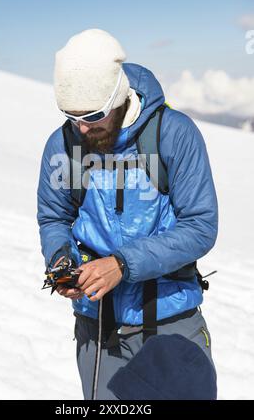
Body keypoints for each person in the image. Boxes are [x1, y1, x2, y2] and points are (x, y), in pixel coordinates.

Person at [37, 28, 218, 400]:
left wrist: (122, 264)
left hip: (171, 323)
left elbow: (200, 226)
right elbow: (54, 217)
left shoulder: (173, 134)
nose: (82, 128)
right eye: (71, 116)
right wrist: (61, 260)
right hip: (97, 328)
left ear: (118, 97)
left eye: (93, 115)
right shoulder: (63, 144)